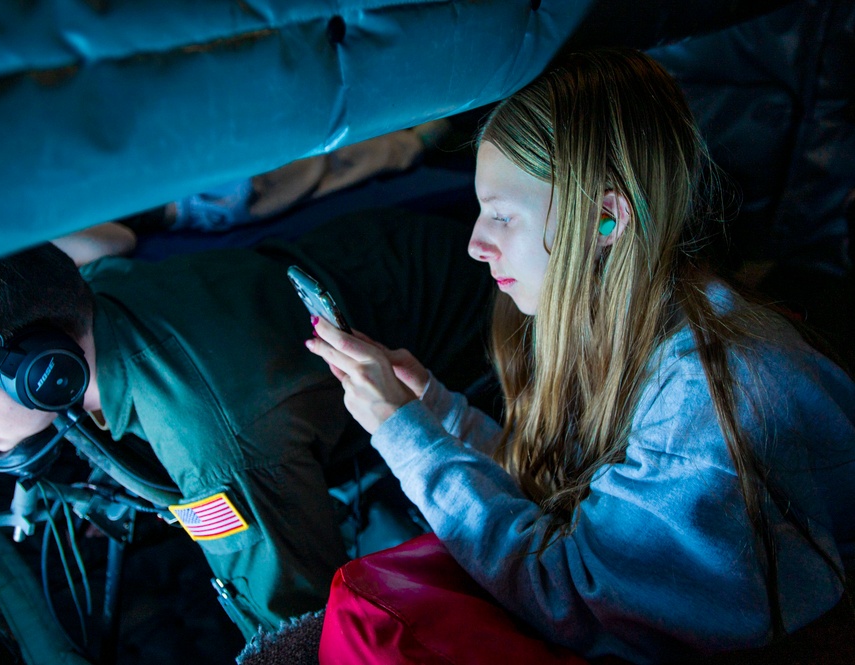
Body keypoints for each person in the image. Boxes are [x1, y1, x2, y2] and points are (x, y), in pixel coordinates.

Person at [306, 48, 855, 663]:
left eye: (501, 215)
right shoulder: (620, 325)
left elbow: (572, 597)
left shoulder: (707, 398)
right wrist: (434, 412)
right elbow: (566, 503)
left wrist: (407, 438)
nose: (475, 244)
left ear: (604, 219)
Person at [0, 209, 492, 639]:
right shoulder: (88, 293)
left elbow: (298, 625)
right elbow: (105, 244)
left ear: (42, 372)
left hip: (488, 350)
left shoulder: (216, 448)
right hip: (400, 249)